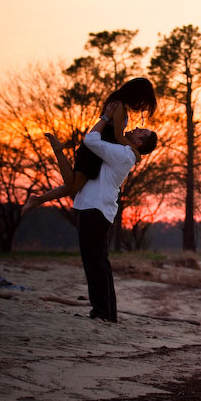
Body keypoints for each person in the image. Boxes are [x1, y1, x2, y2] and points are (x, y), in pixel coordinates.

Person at [68, 101, 157, 322]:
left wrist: (106, 118)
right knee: (100, 262)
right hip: (100, 209)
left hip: (95, 208)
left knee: (94, 263)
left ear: (139, 141)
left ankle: (101, 313)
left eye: (140, 131)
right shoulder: (125, 153)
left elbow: (90, 140)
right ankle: (107, 313)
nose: (135, 128)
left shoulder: (124, 153)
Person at [22, 77, 157, 214]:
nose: (141, 106)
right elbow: (118, 136)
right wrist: (134, 151)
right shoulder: (119, 107)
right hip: (94, 150)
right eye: (143, 101)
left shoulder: (119, 104)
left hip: (98, 150)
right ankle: (57, 155)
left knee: (73, 186)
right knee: (73, 187)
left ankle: (39, 199)